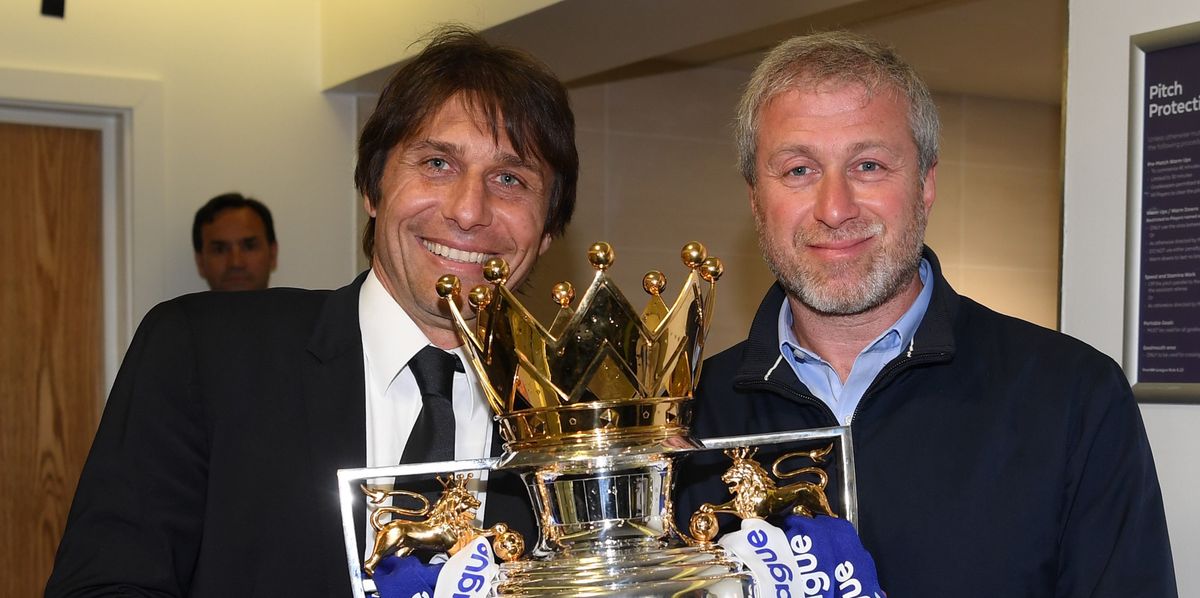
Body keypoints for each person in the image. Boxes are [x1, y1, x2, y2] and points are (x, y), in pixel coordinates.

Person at [46, 26, 576, 597]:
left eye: (509, 179)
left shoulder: (591, 420)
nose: (469, 211)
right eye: (437, 163)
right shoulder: (203, 355)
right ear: (372, 190)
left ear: (546, 230)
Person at [677, 31, 1177, 596]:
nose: (835, 209)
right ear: (754, 199)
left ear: (926, 183)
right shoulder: (686, 416)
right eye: (798, 170)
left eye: (868, 165)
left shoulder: (1073, 397)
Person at [193, 192, 278, 291]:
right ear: (200, 262)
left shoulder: (299, 306)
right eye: (220, 250)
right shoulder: (173, 307)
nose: (236, 263)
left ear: (272, 254)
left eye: (249, 247)